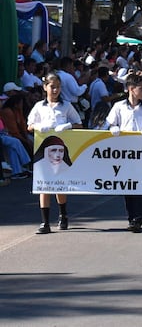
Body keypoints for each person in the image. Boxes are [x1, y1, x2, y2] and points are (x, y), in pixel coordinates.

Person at [27, 72, 83, 234]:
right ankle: (45, 222)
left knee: (59, 184)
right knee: (44, 185)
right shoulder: (39, 106)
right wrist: (38, 127)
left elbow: (78, 123)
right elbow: (29, 125)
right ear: (45, 87)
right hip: (44, 149)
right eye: (52, 87)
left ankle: (63, 215)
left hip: (61, 149)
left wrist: (67, 127)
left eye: (58, 87)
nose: (55, 90)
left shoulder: (66, 105)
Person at [106, 74, 142, 233]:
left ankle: (137, 219)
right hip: (122, 149)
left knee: (138, 183)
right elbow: (110, 124)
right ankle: (131, 216)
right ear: (131, 89)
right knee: (126, 184)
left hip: (140, 148)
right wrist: (113, 129)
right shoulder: (118, 106)